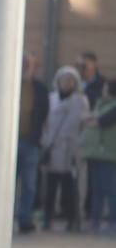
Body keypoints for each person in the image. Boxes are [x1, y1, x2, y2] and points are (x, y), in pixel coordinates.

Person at [41, 65, 89, 232]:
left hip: (70, 150)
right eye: (64, 79)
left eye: (70, 80)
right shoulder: (51, 98)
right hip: (52, 148)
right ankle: (48, 219)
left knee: (70, 189)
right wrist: (45, 142)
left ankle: (72, 219)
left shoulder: (80, 101)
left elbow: (85, 125)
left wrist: (78, 145)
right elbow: (45, 122)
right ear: (58, 81)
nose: (67, 83)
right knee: (50, 188)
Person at [16, 53, 49, 233]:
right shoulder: (11, 84)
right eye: (24, 63)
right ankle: (5, 217)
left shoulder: (40, 88)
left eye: (30, 64)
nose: (27, 67)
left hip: (30, 141)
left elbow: (44, 112)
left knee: (29, 183)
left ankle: (24, 218)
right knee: (8, 182)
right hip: (11, 143)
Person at [82, 77, 116, 231]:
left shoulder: (113, 106)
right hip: (94, 153)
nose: (103, 90)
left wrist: (91, 119)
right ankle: (95, 220)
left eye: (105, 87)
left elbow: (102, 121)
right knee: (96, 190)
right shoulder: (100, 104)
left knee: (110, 190)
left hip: (108, 154)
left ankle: (112, 221)